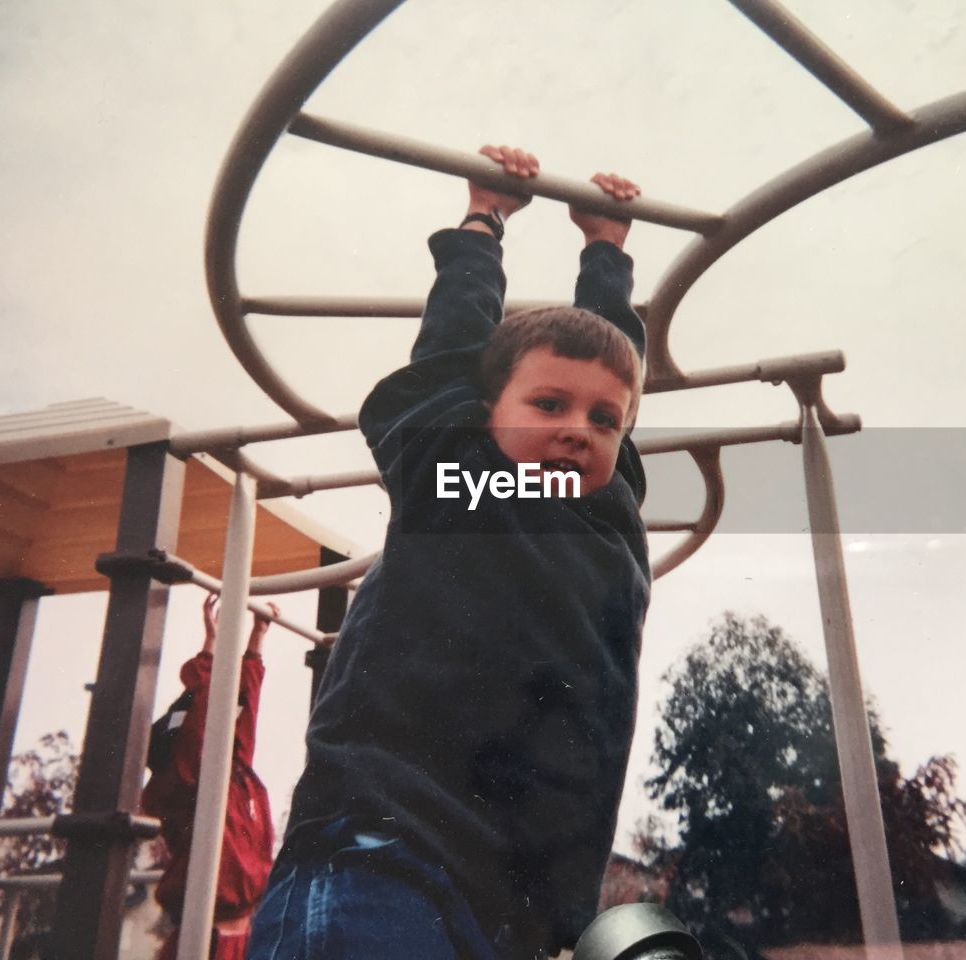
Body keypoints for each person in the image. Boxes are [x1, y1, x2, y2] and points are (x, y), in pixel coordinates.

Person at [246, 145, 650, 960]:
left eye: (604, 422)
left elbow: (608, 365)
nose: (579, 426)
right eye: (547, 404)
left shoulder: (606, 519)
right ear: (480, 413)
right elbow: (449, 358)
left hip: (518, 907)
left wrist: (605, 252)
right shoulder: (454, 484)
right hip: (387, 856)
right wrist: (484, 221)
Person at [143, 594, 279, 960]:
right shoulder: (189, 779)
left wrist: (257, 638)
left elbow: (244, 710)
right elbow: (203, 705)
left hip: (242, 936)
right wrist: (212, 645)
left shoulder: (234, 774)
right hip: (207, 940)